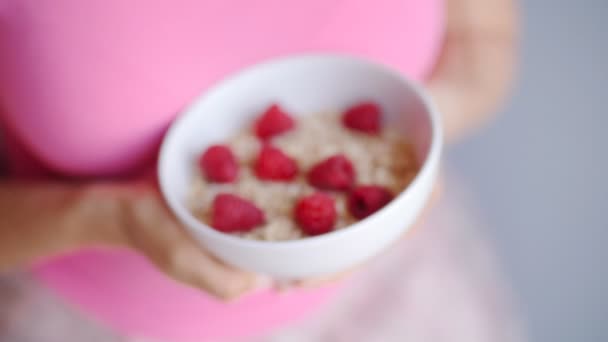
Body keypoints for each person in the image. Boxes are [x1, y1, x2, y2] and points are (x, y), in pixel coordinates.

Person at [0, 0, 517, 340]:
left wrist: (405, 151)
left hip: (403, 293)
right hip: (98, 324)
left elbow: (483, 40)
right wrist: (109, 217)